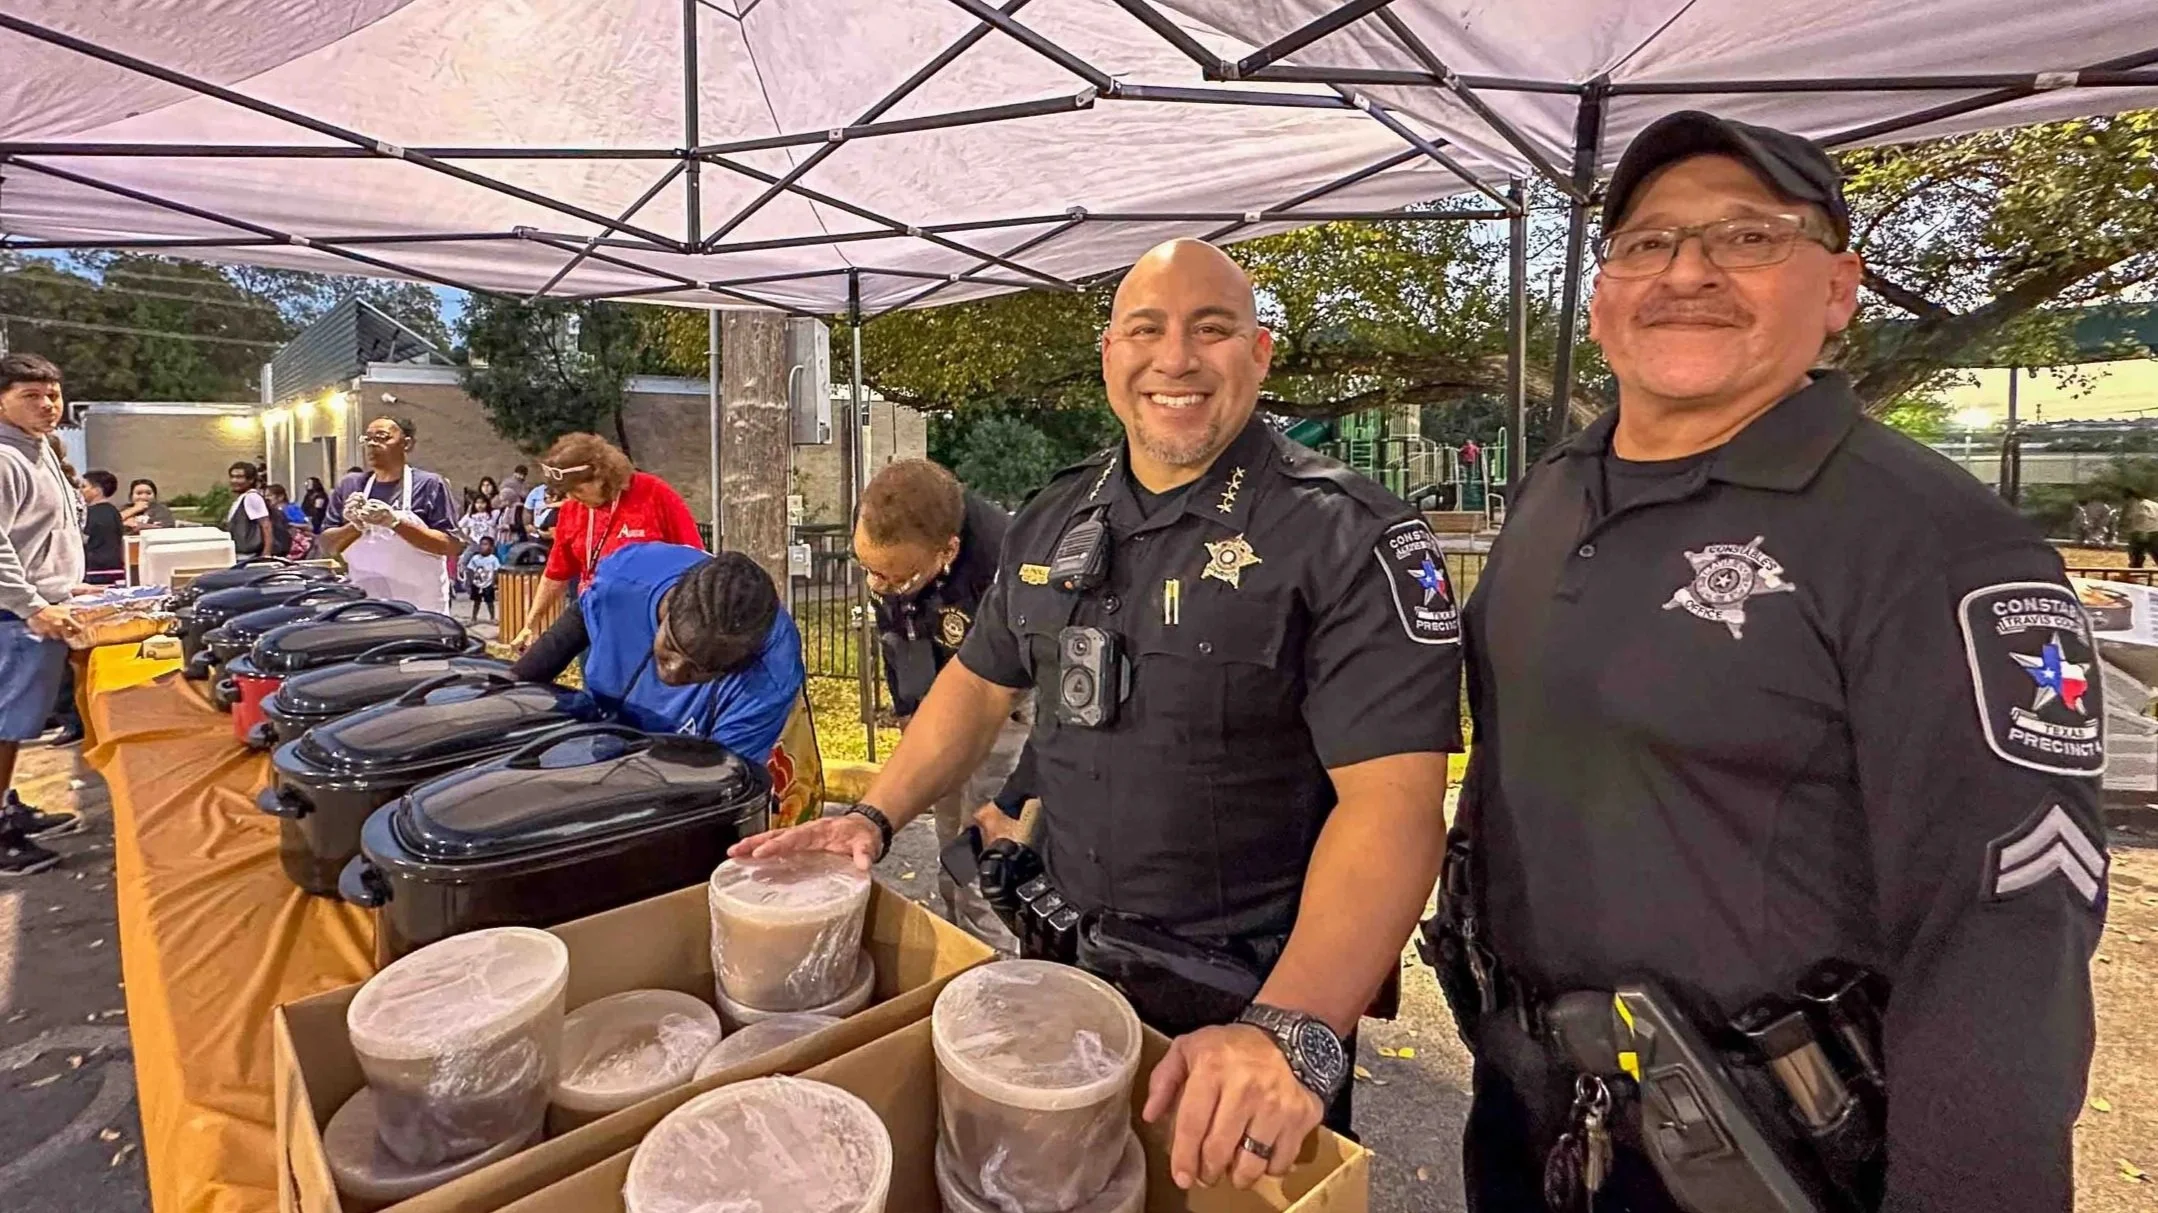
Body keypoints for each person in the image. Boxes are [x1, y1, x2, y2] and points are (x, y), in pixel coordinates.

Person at [1435, 112, 2104, 1213]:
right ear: (1600, 299)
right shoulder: (1554, 489)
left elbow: (2003, 944)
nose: (1686, 271)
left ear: (1838, 290)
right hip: (1527, 1114)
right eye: (1646, 244)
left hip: (1762, 1156)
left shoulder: (1937, 545)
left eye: (1747, 239)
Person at [732, 239, 1463, 1183]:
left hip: (1247, 1004)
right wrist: (873, 815)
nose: (1176, 359)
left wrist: (1293, 1030)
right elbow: (980, 681)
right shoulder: (1053, 517)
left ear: (1261, 353)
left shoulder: (1349, 535)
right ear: (1110, 354)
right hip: (1067, 976)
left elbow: (1395, 806)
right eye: (1146, 330)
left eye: (1213, 329)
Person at [856, 458, 1026, 948]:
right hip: (938, 678)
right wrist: (911, 709)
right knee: (947, 822)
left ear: (946, 550)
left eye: (892, 577)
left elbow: (1013, 672)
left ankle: (988, 952)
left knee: (985, 831)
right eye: (869, 570)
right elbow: (898, 631)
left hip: (1006, 697)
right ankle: (953, 932)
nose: (876, 587)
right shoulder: (887, 537)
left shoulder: (1005, 557)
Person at [510, 544, 805, 764]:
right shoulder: (626, 579)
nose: (674, 672)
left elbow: (719, 777)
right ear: (667, 609)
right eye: (671, 648)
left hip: (683, 762)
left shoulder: (771, 673)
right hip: (604, 732)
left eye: (700, 669)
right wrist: (517, 683)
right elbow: (585, 613)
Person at [0, 353, 87, 876]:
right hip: (17, 617)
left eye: (52, 395)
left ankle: (8, 804)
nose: (47, 405)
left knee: (15, 726)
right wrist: (32, 606)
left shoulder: (37, 449)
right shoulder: (5, 458)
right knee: (5, 727)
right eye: (31, 396)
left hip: (41, 605)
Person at [509, 432, 701, 653]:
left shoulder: (655, 494)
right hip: (593, 619)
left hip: (649, 626)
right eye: (568, 492)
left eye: (578, 490)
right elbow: (556, 573)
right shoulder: (572, 510)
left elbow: (694, 559)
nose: (572, 498)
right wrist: (531, 624)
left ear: (603, 476)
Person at [317, 416, 462, 611]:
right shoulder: (351, 485)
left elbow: (450, 545)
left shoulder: (429, 485)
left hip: (420, 607)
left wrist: (396, 523)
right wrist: (355, 526)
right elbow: (328, 546)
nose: (373, 444)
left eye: (382, 437)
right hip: (366, 605)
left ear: (406, 444)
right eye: (368, 439)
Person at [223, 461, 288, 561]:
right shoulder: (243, 498)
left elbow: (266, 525)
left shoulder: (252, 497)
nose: (234, 480)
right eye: (232, 476)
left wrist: (266, 553)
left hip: (251, 556)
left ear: (251, 480)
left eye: (239, 477)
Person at [78, 470, 127, 585]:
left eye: (84, 487)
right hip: (115, 569)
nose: (80, 491)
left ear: (97, 490)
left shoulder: (90, 513)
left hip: (95, 571)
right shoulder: (113, 511)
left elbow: (82, 539)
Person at [2120, 487, 2158, 567]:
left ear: (2132, 497)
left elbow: (2142, 516)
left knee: (2136, 555)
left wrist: (2129, 529)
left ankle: (2136, 570)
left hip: (2142, 532)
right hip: (2156, 532)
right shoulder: (2154, 504)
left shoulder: (2135, 505)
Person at [466, 537, 501, 623]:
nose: (482, 546)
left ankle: (492, 618)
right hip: (477, 584)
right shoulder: (475, 558)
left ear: (491, 547)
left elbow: (496, 571)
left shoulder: (493, 559)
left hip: (488, 584)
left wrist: (494, 583)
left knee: (490, 602)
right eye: (481, 544)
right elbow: (470, 570)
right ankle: (474, 618)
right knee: (476, 602)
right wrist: (471, 582)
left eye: (485, 544)